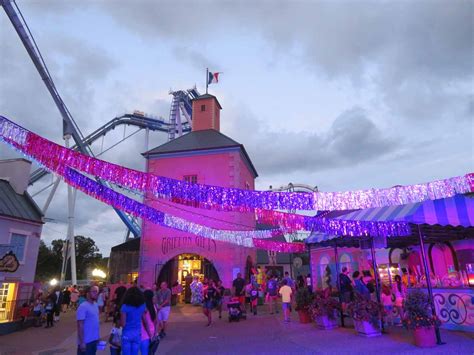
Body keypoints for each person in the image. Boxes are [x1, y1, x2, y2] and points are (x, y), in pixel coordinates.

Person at [121, 287, 149, 355]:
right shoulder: (142, 306)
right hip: (137, 333)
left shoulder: (124, 307)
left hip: (127, 334)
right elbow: (145, 321)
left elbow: (123, 324)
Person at [77, 285, 100, 355]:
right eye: (94, 291)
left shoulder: (96, 305)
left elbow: (95, 323)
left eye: (97, 292)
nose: (96, 293)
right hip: (86, 341)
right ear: (87, 293)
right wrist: (82, 342)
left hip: (94, 340)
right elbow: (80, 325)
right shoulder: (83, 306)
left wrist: (98, 337)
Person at [141, 290, 159, 355]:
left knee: (144, 351)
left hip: (144, 332)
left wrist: (149, 333)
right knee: (151, 352)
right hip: (152, 331)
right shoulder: (153, 307)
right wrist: (155, 333)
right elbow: (157, 321)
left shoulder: (143, 307)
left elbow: (145, 322)